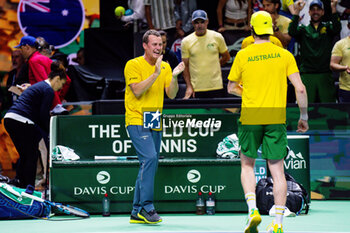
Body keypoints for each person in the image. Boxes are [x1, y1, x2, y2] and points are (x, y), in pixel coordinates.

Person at [227, 11, 308, 233]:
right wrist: (304, 117)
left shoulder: (244, 55)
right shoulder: (284, 55)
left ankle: (253, 210)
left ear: (251, 30)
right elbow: (300, 88)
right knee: (277, 171)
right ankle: (278, 223)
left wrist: (250, 92)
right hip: (275, 115)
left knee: (247, 164)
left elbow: (231, 87)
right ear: (271, 29)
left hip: (251, 114)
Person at [124, 29, 184, 224]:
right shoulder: (133, 65)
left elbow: (172, 94)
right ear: (145, 46)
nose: (159, 48)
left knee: (149, 163)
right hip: (136, 118)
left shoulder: (166, 66)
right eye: (155, 45)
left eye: (161, 45)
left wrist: (174, 76)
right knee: (149, 158)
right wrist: (156, 72)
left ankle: (135, 211)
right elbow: (138, 91)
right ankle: (147, 207)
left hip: (154, 118)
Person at [3, 61, 67, 188]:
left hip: (10, 118)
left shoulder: (39, 86)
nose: (60, 88)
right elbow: (43, 115)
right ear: (57, 79)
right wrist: (49, 131)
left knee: (26, 153)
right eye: (62, 84)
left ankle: (19, 182)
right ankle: (28, 186)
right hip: (21, 120)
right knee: (31, 154)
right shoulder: (48, 90)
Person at [288, 0, 341, 103]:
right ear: (309, 12)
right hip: (307, 74)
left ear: (323, 12)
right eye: (313, 10)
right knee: (306, 106)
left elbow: (337, 28)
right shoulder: (303, 30)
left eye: (318, 9)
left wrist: (334, 8)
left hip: (325, 74)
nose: (315, 12)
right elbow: (291, 31)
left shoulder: (328, 28)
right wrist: (297, 12)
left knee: (328, 107)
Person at [181, 10, 231, 99]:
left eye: (202, 22)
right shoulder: (186, 41)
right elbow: (185, 66)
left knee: (217, 113)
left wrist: (215, 64)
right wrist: (189, 86)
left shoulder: (217, 37)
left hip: (216, 86)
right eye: (196, 22)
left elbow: (226, 57)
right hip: (196, 88)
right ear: (192, 23)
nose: (199, 25)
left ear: (207, 22)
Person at [15, 35, 71, 111]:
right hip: (53, 105)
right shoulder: (43, 58)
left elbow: (44, 85)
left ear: (27, 47)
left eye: (21, 48)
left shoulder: (33, 60)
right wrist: (58, 98)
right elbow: (67, 80)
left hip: (47, 107)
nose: (21, 52)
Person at [330, 18, 350, 102]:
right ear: (349, 26)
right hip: (346, 89)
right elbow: (333, 64)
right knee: (346, 115)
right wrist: (345, 68)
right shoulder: (340, 44)